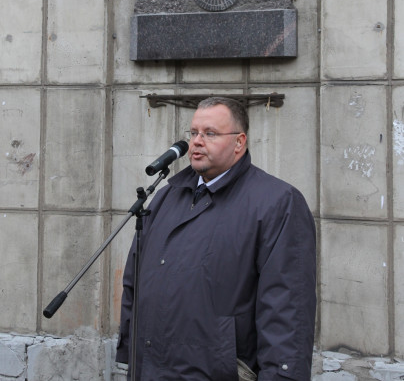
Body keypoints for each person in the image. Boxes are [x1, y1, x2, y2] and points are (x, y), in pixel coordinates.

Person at [116, 97, 316, 381]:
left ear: (239, 142)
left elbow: (287, 308)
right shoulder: (165, 197)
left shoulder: (276, 203)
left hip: (220, 371)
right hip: (153, 368)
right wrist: (131, 352)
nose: (197, 141)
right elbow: (135, 281)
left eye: (210, 133)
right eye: (194, 132)